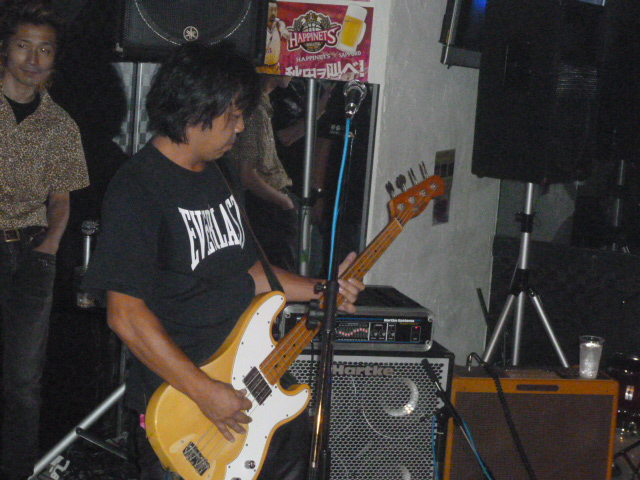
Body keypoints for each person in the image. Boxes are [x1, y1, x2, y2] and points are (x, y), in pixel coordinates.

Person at [83, 43, 364, 480]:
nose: (240, 126)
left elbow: (251, 272)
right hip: (182, 405)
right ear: (194, 108)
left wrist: (323, 290)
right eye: (231, 115)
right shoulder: (137, 188)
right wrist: (204, 391)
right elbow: (125, 315)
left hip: (242, 382)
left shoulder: (221, 172)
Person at [0, 3, 89, 479]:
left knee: (22, 382)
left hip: (31, 253)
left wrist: (49, 247)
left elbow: (61, 198)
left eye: (45, 50)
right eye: (23, 46)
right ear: (5, 49)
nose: (33, 59)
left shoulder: (61, 125)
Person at [227, 74, 299, 271]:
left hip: (267, 203)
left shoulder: (262, 106)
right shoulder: (254, 110)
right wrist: (284, 202)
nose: (292, 72)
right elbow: (247, 175)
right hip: (265, 207)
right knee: (278, 271)